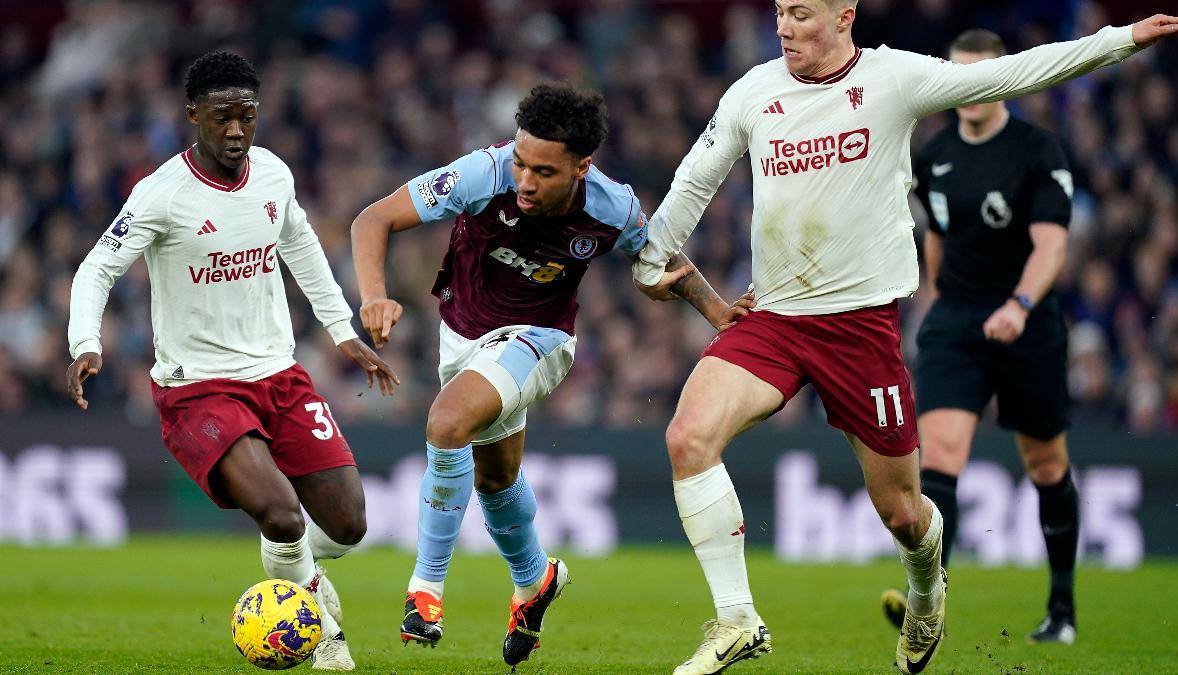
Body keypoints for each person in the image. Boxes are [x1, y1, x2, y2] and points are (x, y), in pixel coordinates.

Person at [630, 3, 1178, 673]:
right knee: (687, 437)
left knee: (902, 510)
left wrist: (1123, 39)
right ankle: (737, 618)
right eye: (780, 12)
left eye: (801, 15)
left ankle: (928, 590)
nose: (783, 27)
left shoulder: (894, 79)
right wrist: (651, 254)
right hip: (776, 320)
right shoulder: (753, 90)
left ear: (844, 17)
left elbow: (1016, 74)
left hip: (859, 328)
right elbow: (696, 179)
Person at [350, 81, 750, 667]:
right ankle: (535, 580)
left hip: (541, 339)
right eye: (519, 162)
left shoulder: (612, 206)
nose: (525, 181)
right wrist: (374, 297)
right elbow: (371, 219)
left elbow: (661, 259)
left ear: (581, 167)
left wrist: (718, 311)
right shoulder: (481, 175)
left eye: (542, 170)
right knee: (494, 478)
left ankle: (425, 589)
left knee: (446, 422)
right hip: (460, 337)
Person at [66, 51, 401, 672]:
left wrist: (341, 330)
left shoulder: (273, 175)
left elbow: (300, 244)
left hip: (279, 375)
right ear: (193, 116)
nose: (236, 131)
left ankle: (296, 570)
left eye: (246, 116)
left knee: (350, 526)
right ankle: (321, 629)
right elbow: (96, 268)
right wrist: (85, 341)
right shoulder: (160, 194)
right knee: (278, 512)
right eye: (221, 118)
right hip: (200, 389)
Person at [878, 28, 1081, 646]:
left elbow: (1052, 244)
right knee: (938, 457)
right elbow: (937, 235)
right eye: (958, 77)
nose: (968, 90)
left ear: (1003, 78)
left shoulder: (1037, 150)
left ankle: (1062, 609)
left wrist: (1020, 304)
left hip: (1028, 323)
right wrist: (939, 302)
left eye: (980, 76)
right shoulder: (935, 155)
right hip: (958, 324)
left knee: (1045, 464)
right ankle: (930, 601)